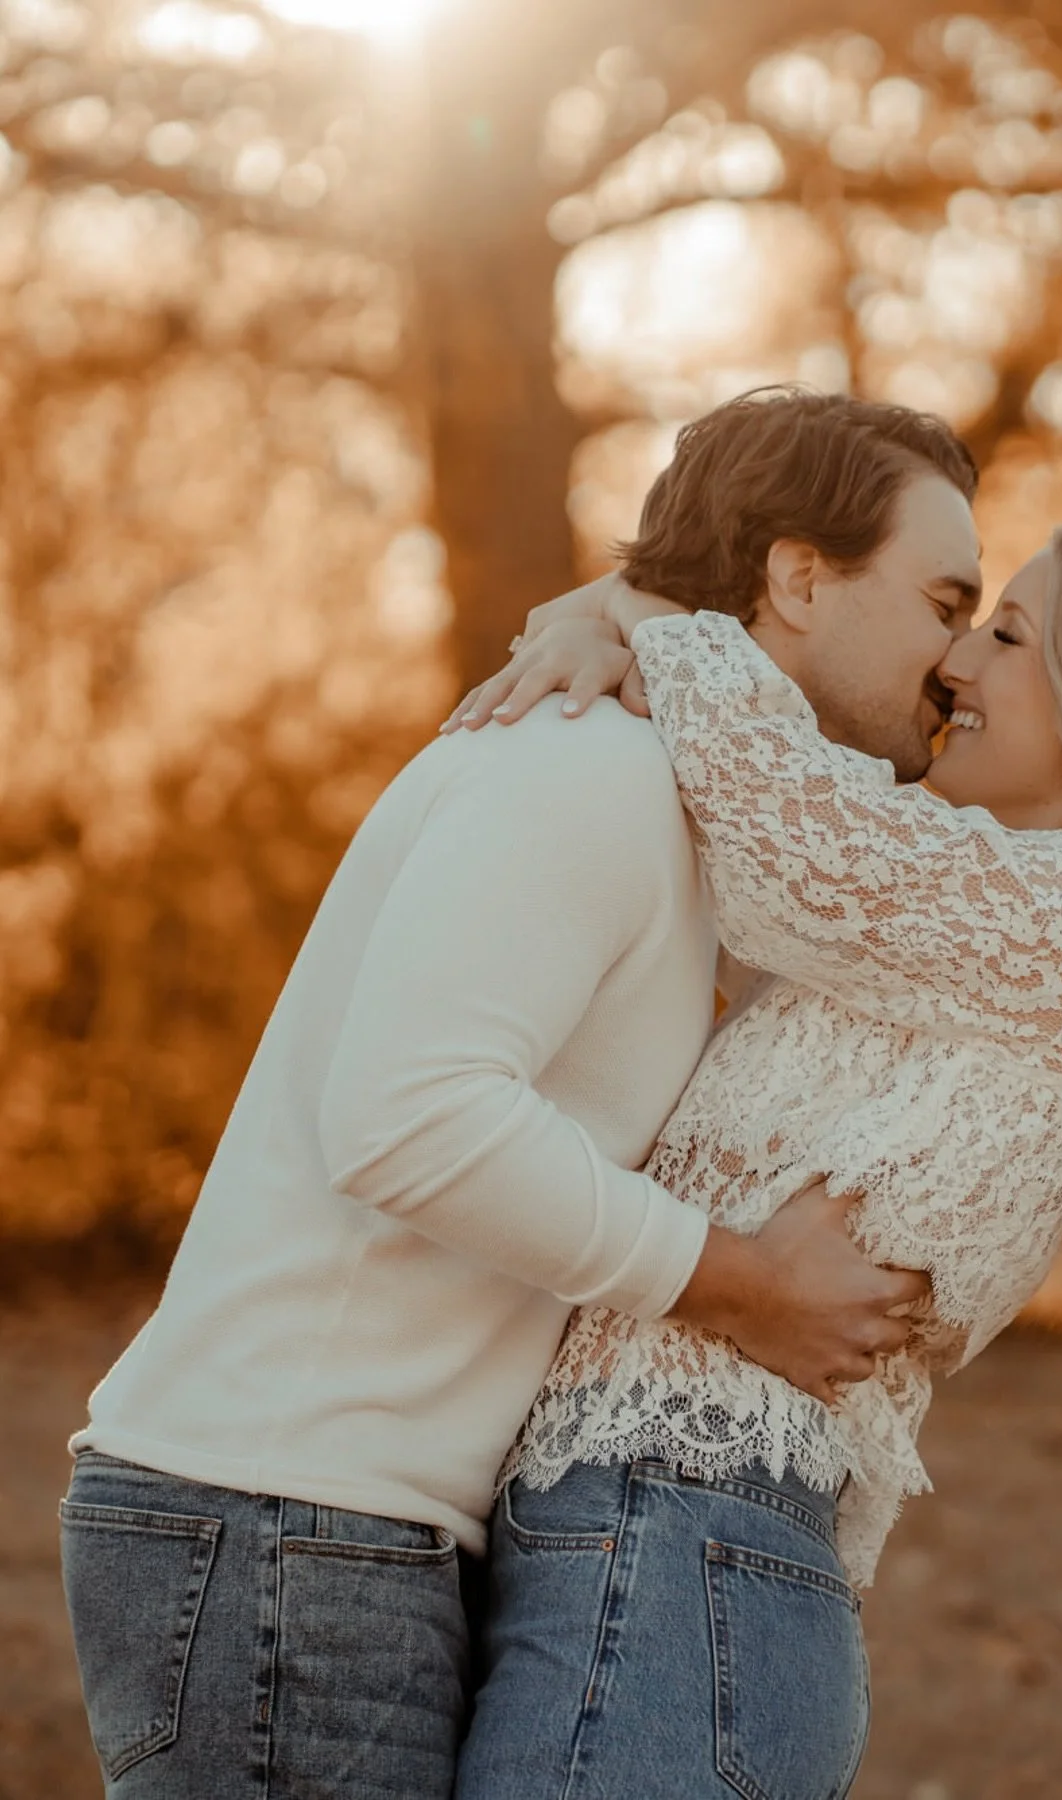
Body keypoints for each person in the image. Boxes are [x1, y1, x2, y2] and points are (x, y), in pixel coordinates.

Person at [58, 389, 982, 1799]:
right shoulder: (586, 768)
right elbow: (410, 1117)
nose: (959, 656)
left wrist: (615, 606)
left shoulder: (661, 786)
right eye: (942, 600)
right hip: (289, 1519)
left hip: (341, 1521)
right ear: (799, 575)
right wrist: (733, 1280)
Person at [441, 520, 1062, 1798]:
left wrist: (645, 615)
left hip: (680, 1536)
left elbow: (786, 840)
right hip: (631, 1534)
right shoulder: (959, 921)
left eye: (1006, 635)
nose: (954, 661)